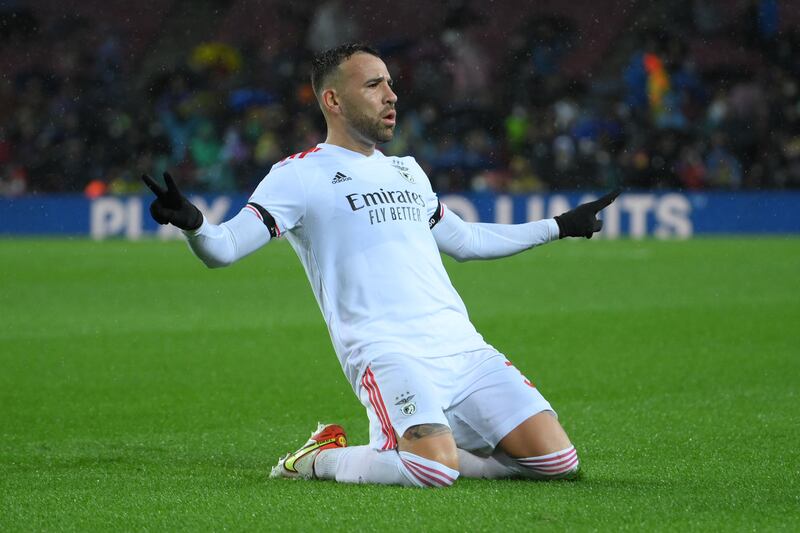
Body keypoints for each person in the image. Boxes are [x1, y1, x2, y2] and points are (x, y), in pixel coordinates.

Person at [142, 42, 620, 488]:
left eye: (389, 83)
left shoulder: (406, 170)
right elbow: (223, 248)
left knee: (556, 464)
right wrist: (194, 225)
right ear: (333, 99)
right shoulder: (297, 175)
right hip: (387, 351)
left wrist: (558, 226)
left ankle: (435, 438)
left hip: (461, 348)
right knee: (433, 470)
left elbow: (469, 240)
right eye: (373, 85)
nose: (391, 96)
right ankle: (318, 458)